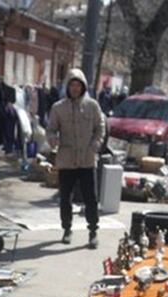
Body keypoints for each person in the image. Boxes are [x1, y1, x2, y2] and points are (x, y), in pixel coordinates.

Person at [46, 68, 106, 249]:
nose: (75, 88)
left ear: (83, 87)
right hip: (67, 159)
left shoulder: (92, 106)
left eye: (78, 85)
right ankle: (67, 229)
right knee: (66, 198)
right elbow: (51, 129)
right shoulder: (58, 108)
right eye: (72, 85)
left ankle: (93, 231)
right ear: (67, 87)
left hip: (87, 158)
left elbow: (100, 127)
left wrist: (96, 143)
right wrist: (53, 139)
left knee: (91, 198)